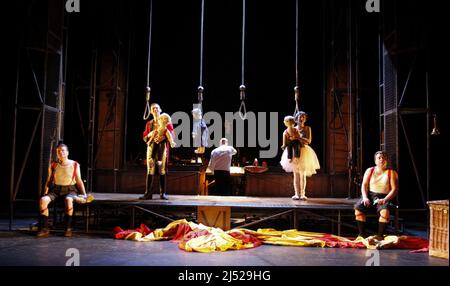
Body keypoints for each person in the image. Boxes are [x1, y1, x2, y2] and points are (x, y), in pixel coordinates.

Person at [37, 143, 90, 237]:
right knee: (43, 201)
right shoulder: (53, 165)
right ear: (57, 153)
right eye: (58, 151)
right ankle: (45, 228)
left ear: (67, 152)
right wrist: (45, 193)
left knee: (68, 200)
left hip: (70, 190)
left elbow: (79, 180)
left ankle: (68, 228)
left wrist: (84, 194)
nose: (61, 152)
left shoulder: (74, 164)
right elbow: (49, 181)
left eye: (63, 150)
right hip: (56, 190)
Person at [354, 151, 399, 239]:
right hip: (370, 195)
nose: (381, 159)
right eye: (379, 158)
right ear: (375, 161)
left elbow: (394, 189)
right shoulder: (370, 170)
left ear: (386, 160)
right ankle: (362, 234)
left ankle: (380, 236)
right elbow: (364, 185)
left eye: (384, 158)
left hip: (384, 196)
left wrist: (385, 199)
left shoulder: (391, 172)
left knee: (385, 213)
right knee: (358, 210)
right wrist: (365, 197)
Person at [280, 111, 320, 200]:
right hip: (294, 150)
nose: (301, 119)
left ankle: (302, 194)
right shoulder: (292, 128)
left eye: (303, 117)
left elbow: (308, 141)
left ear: (305, 119)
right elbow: (287, 138)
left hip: (304, 151)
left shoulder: (307, 128)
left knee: (302, 174)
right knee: (296, 174)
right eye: (300, 117)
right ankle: (296, 194)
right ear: (296, 119)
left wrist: (298, 138)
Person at [140, 103, 174, 200]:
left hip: (162, 149)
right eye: (153, 108)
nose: (155, 110)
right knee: (150, 169)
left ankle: (162, 193)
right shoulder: (149, 124)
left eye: (157, 108)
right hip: (151, 148)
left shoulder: (167, 122)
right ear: (151, 111)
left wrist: (162, 138)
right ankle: (148, 193)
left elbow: (171, 135)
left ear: (160, 110)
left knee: (161, 169)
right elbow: (145, 137)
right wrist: (150, 135)